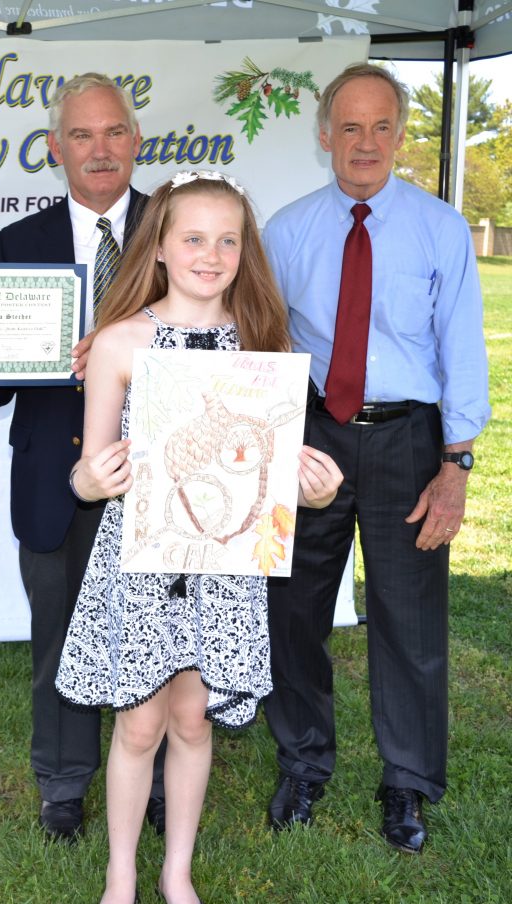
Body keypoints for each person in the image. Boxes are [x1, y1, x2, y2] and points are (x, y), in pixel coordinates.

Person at [56, 170, 343, 904]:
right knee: (140, 721)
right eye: (192, 238)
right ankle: (121, 875)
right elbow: (87, 473)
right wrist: (94, 481)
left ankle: (174, 871)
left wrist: (318, 487)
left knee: (192, 715)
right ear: (158, 247)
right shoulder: (121, 343)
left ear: (245, 251)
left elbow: (271, 476)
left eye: (227, 240)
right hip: (142, 563)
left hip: (224, 566)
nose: (209, 255)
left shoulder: (263, 345)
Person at [0, 72, 167, 842]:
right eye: (81, 136)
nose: (99, 150)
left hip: (164, 477)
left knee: (155, 630)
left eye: (113, 132)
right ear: (55, 148)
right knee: (58, 632)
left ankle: (151, 772)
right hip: (53, 480)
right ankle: (63, 783)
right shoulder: (19, 242)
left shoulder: (179, 227)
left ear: (135, 140)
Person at [261, 63, 491, 853]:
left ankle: (408, 784)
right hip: (312, 435)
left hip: (408, 439)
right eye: (349, 127)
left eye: (381, 126)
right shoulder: (286, 231)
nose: (365, 143)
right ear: (324, 134)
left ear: (401, 133)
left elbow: (462, 350)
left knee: (409, 619)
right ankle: (303, 762)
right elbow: (265, 341)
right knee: (292, 610)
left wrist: (455, 466)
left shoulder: (440, 229)